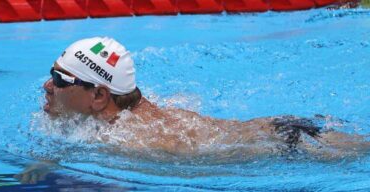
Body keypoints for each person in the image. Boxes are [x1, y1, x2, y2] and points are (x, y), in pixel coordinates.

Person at [43, 37, 369, 158]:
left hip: (292, 143)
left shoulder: (130, 141)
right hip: (278, 128)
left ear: (99, 95)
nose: (47, 85)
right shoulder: (131, 109)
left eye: (60, 79)